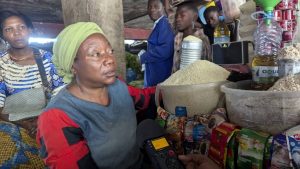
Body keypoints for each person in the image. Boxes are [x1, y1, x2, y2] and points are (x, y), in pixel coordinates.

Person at [36, 22, 158, 169]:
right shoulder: (56, 117)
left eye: (110, 51)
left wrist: (170, 89)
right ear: (72, 64)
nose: (110, 59)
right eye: (96, 54)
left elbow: (145, 98)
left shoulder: (117, 86)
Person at [0, 9, 64, 168]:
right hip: (12, 120)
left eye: (21, 27)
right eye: (9, 29)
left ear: (30, 30)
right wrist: (25, 124)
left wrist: (44, 120)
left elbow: (61, 95)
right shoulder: (1, 64)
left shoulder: (47, 58)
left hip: (48, 115)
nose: (17, 33)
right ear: (3, 35)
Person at [138, 0, 174, 87]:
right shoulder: (158, 24)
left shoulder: (164, 23)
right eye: (149, 7)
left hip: (160, 74)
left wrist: (143, 57)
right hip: (156, 73)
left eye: (156, 6)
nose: (152, 9)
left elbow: (166, 50)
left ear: (164, 8)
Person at [172, 1, 211, 73]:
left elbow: (205, 68)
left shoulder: (202, 39)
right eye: (176, 16)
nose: (177, 19)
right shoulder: (178, 37)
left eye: (182, 15)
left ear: (194, 17)